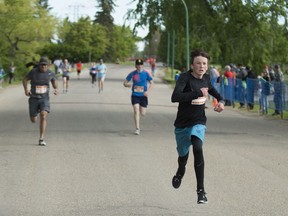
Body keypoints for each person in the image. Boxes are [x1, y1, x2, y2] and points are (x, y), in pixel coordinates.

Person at [171, 49, 225, 204]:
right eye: (198, 63)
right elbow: (175, 97)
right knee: (183, 157)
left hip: (198, 122)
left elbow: (219, 96)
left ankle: (201, 191)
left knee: (198, 148)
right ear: (192, 65)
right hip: (182, 125)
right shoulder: (184, 78)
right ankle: (180, 172)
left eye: (204, 63)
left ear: (207, 66)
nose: (201, 66)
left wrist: (221, 103)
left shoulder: (207, 79)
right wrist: (196, 93)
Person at [22, 57, 58, 146]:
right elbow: (25, 79)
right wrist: (26, 90)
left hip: (44, 98)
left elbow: (54, 83)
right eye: (42, 65)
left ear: (47, 65)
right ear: (39, 65)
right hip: (33, 98)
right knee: (33, 120)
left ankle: (41, 138)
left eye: (45, 65)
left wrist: (56, 88)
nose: (43, 67)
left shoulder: (50, 73)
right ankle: (35, 112)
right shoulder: (33, 71)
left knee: (43, 115)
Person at [123, 58, 154, 135]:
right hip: (135, 95)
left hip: (143, 95)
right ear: (136, 66)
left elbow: (152, 83)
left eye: (141, 65)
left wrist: (148, 92)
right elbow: (125, 83)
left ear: (143, 65)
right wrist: (127, 85)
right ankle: (137, 128)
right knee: (136, 110)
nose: (139, 66)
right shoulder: (132, 74)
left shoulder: (146, 73)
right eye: (138, 65)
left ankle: (139, 116)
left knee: (143, 113)